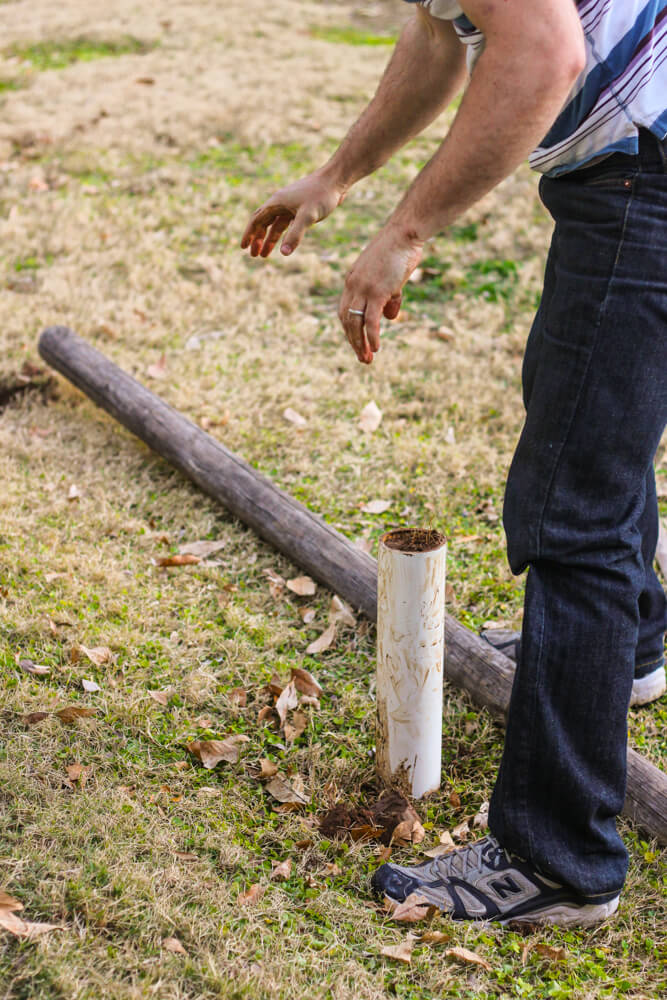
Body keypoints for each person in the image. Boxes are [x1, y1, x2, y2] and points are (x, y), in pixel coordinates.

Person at [241, 0, 667, 926]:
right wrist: (338, 176)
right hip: (634, 168)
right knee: (597, 427)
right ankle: (629, 650)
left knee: (572, 505)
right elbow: (441, 33)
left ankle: (558, 859)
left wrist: (403, 233)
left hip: (647, 175)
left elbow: (544, 52)